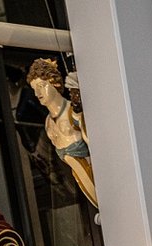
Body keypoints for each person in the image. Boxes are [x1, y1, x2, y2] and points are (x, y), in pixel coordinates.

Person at [26, 58, 98, 208]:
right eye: (34, 89)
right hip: (77, 176)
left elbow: (94, 140)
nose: (37, 93)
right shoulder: (48, 123)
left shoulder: (73, 111)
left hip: (96, 171)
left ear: (55, 83)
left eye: (41, 86)